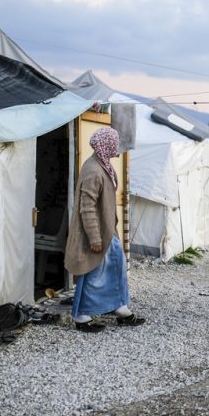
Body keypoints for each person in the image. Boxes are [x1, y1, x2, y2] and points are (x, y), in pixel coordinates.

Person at [64, 128, 145, 333]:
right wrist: (94, 237)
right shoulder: (93, 170)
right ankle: (82, 316)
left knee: (116, 266)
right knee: (94, 273)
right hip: (98, 233)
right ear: (105, 145)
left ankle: (119, 308)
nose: (116, 148)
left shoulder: (104, 166)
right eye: (114, 143)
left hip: (108, 231)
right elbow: (87, 206)